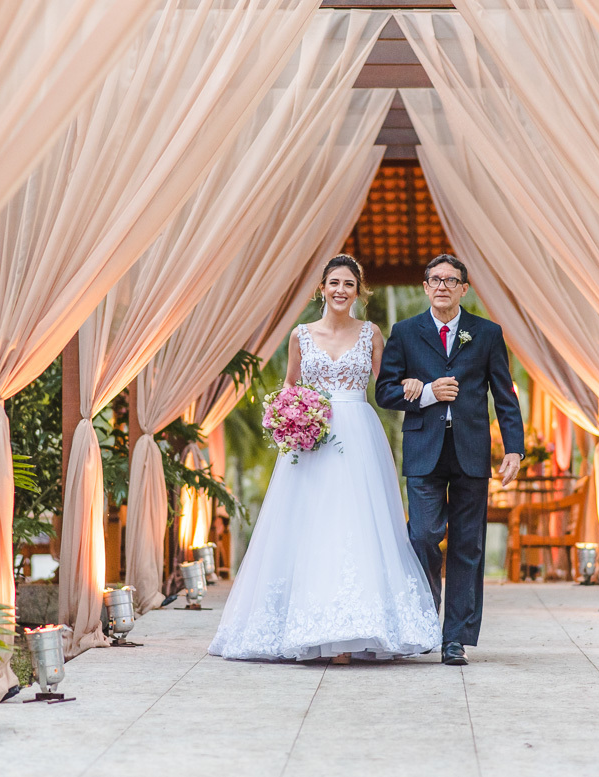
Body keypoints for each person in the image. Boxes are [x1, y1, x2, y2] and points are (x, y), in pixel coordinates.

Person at [209, 255, 441, 662]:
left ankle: (357, 629)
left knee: (356, 522)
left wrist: (412, 383)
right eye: (334, 282)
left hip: (358, 436)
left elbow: (385, 385)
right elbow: (290, 387)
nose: (340, 290)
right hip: (311, 439)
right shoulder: (301, 335)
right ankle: (305, 626)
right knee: (308, 522)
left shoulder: (371, 333)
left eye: (349, 284)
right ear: (322, 288)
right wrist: (287, 417)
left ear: (358, 291)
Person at [376, 254, 525, 666]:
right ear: (425, 287)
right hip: (424, 450)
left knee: (468, 544)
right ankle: (424, 624)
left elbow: (505, 396)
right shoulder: (405, 333)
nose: (442, 286)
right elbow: (385, 392)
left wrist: (514, 447)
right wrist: (424, 391)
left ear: (464, 288)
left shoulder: (487, 333)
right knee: (423, 535)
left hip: (472, 452)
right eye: (435, 279)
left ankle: (455, 637)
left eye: (451, 280)